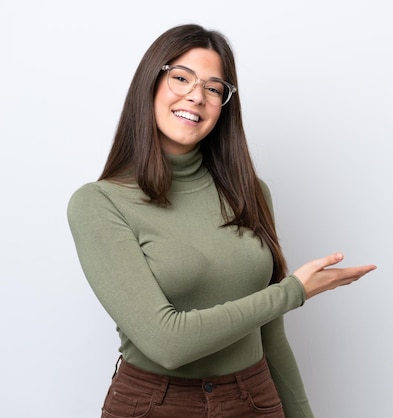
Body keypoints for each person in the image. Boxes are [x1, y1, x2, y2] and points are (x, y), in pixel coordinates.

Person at [67, 23, 376, 418]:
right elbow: (167, 343)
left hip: (254, 398)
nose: (196, 96)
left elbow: (270, 336)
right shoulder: (99, 204)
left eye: (214, 88)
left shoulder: (249, 193)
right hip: (155, 406)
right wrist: (293, 291)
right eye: (181, 78)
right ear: (149, 84)